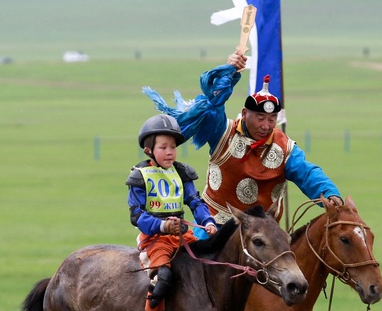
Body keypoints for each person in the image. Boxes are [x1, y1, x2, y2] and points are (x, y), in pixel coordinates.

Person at [142, 51, 343, 235]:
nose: (266, 125)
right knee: (188, 266)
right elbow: (214, 104)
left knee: (290, 273)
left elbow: (307, 173)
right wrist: (229, 71)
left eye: (272, 119)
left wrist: (330, 194)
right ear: (245, 114)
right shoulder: (224, 132)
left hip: (262, 234)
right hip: (214, 225)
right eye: (260, 118)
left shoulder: (285, 148)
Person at [126, 114, 218, 311]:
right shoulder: (140, 176)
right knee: (163, 278)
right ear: (149, 150)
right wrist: (162, 225)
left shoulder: (182, 173)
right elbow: (137, 216)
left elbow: (195, 202)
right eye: (163, 147)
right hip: (155, 239)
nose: (169, 152)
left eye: (173, 147)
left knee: (211, 267)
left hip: (183, 235)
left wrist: (208, 222)